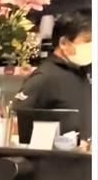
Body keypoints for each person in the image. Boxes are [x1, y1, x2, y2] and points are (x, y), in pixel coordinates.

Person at [13, 11, 92, 145]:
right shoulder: (45, 76)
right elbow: (16, 122)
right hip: (58, 157)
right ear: (64, 43)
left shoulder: (81, 73)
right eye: (88, 41)